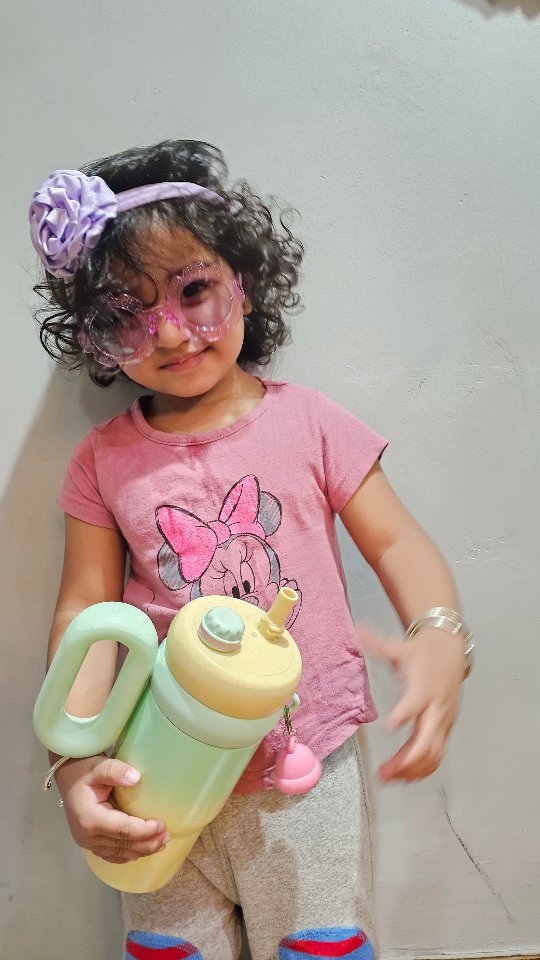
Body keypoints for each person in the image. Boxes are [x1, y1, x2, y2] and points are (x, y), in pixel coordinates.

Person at [30, 139, 473, 960]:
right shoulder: (100, 460)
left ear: (244, 279)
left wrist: (440, 633)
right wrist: (73, 765)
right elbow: (85, 617)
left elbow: (399, 542)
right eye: (127, 312)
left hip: (303, 771)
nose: (170, 332)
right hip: (154, 770)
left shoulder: (310, 423)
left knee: (320, 948)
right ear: (94, 335)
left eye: (193, 290)